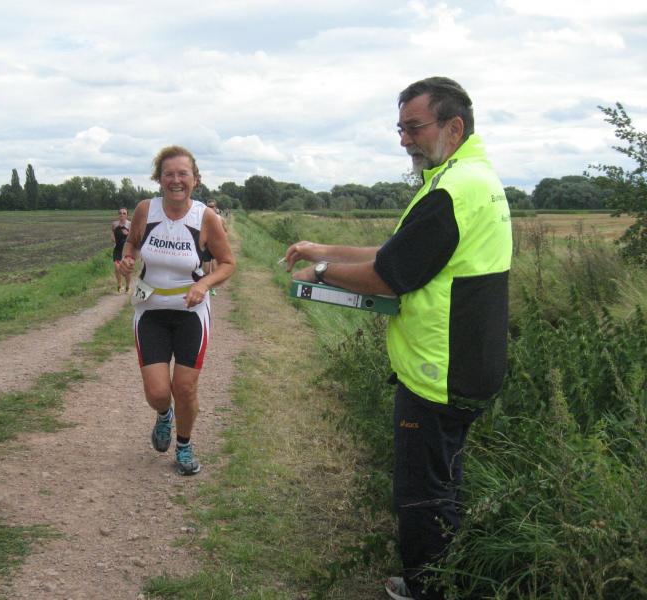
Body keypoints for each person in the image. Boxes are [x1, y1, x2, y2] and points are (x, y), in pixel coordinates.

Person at [283, 77, 512, 600]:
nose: (405, 140)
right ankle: (441, 578)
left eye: (414, 127)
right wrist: (325, 248)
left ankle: (427, 588)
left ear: (453, 127)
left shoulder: (451, 191)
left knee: (423, 496)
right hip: (466, 362)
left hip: (438, 373)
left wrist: (322, 271)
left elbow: (388, 276)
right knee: (442, 484)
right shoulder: (470, 178)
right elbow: (399, 252)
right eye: (400, 129)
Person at [118, 145, 235, 476]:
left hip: (191, 313)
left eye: (183, 173)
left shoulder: (206, 218)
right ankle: (164, 414)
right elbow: (132, 242)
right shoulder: (146, 210)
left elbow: (228, 263)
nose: (176, 180)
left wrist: (204, 284)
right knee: (158, 393)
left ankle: (184, 445)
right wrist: (127, 258)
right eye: (168, 174)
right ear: (159, 179)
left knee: (184, 388)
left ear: (195, 179)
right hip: (151, 311)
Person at [202, 199, 228, 295]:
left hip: (215, 246)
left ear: (215, 207)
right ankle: (207, 285)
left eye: (212, 206)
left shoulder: (220, 218)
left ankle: (212, 287)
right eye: (208, 206)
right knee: (206, 269)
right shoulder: (202, 218)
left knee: (214, 268)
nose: (210, 208)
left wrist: (222, 242)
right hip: (206, 246)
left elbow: (225, 231)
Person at [111, 207, 132, 293]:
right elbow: (112, 232)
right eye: (120, 213)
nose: (122, 215)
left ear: (127, 215)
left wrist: (128, 234)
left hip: (127, 250)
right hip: (117, 249)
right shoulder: (114, 224)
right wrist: (113, 239)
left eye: (124, 213)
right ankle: (120, 285)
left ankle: (128, 286)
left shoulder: (130, 224)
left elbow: (134, 237)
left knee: (126, 270)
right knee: (117, 267)